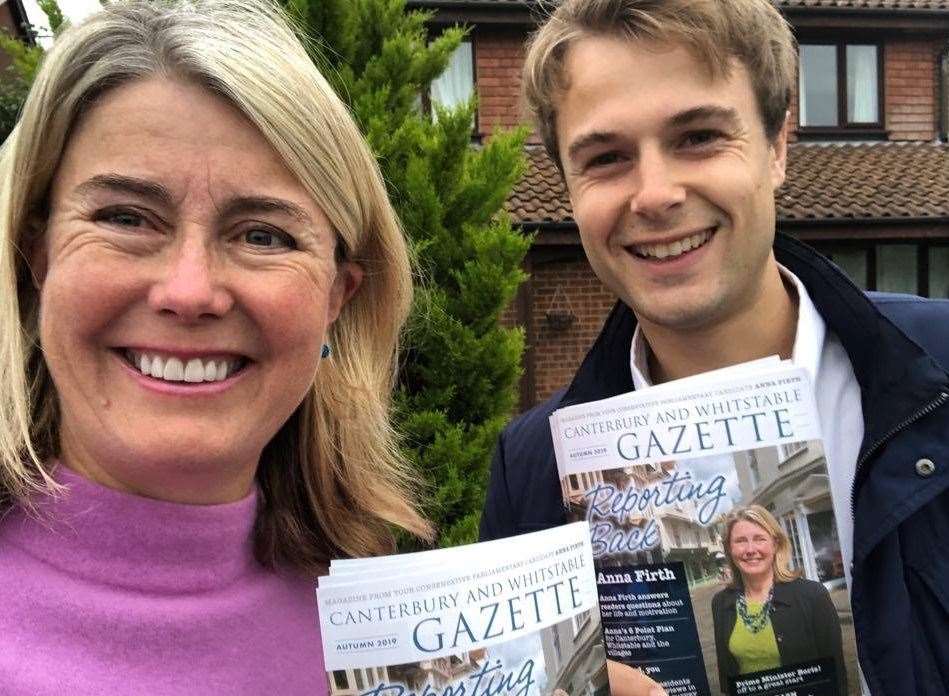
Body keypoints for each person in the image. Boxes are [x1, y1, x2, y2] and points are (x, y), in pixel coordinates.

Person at [479, 1, 949, 695]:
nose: (655, 194)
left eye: (697, 136)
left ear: (777, 146)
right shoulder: (531, 468)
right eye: (605, 158)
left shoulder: (938, 372)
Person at [0, 0, 431, 693]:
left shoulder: (389, 638)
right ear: (38, 259)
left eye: (263, 235)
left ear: (335, 299)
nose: (190, 291)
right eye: (125, 218)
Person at [711, 506, 846, 694]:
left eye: (759, 539)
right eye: (740, 541)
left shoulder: (813, 596)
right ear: (729, 549)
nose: (750, 549)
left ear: (775, 544)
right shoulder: (720, 602)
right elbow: (728, 679)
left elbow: (835, 677)